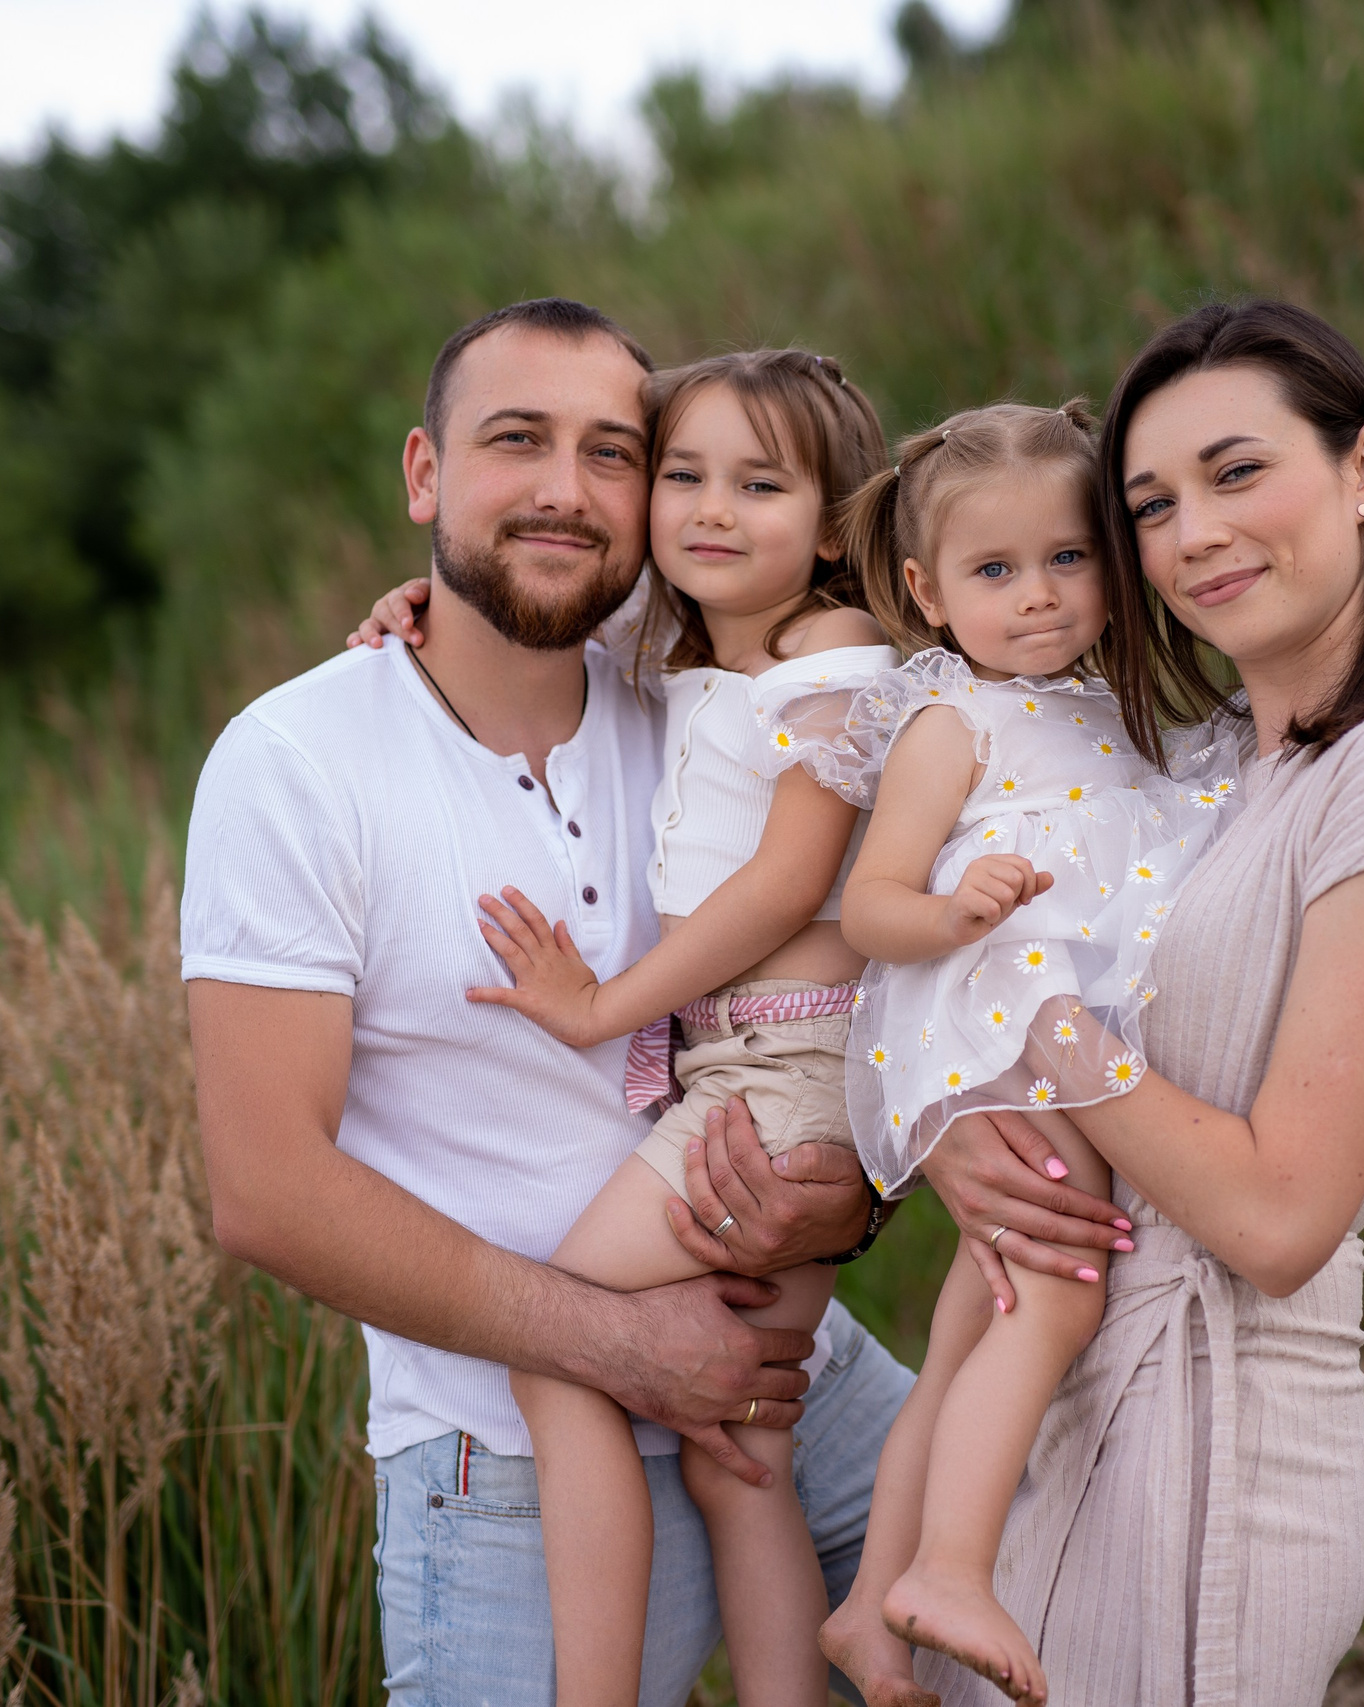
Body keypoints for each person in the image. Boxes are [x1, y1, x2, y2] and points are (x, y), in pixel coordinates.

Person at [179, 299, 1034, 1706]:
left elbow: (856, 947)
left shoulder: (690, 683)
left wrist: (862, 1198)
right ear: (423, 474)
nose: (567, 492)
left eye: (614, 452)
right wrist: (615, 1342)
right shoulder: (293, 761)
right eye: (516, 442)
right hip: (506, 1454)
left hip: (787, 1376)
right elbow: (266, 1190)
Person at [903, 300, 1364, 1705]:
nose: (1191, 534)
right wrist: (956, 1134)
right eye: (1150, 505)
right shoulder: (1208, 765)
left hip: (1217, 1445)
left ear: (1363, 473)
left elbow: (1277, 1216)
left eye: (1237, 474)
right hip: (1066, 1408)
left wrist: (1037, 1024)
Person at [450, 347, 898, 1707]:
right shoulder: (698, 659)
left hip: (784, 1067)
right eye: (682, 475)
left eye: (756, 484)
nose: (707, 508)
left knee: (557, 1349)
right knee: (737, 1448)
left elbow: (777, 885)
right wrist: (420, 606)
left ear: (830, 527)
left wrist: (598, 1009)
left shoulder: (830, 658)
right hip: (756, 1065)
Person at [813, 402, 1239, 1704]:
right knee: (1055, 1288)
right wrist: (953, 913)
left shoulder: (1112, 709)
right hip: (994, 1012)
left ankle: (871, 1616)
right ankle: (950, 1567)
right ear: (924, 593)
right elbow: (870, 901)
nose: (1040, 597)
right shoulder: (953, 723)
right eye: (995, 573)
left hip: (1049, 1025)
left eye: (1067, 559)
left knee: (971, 1326)